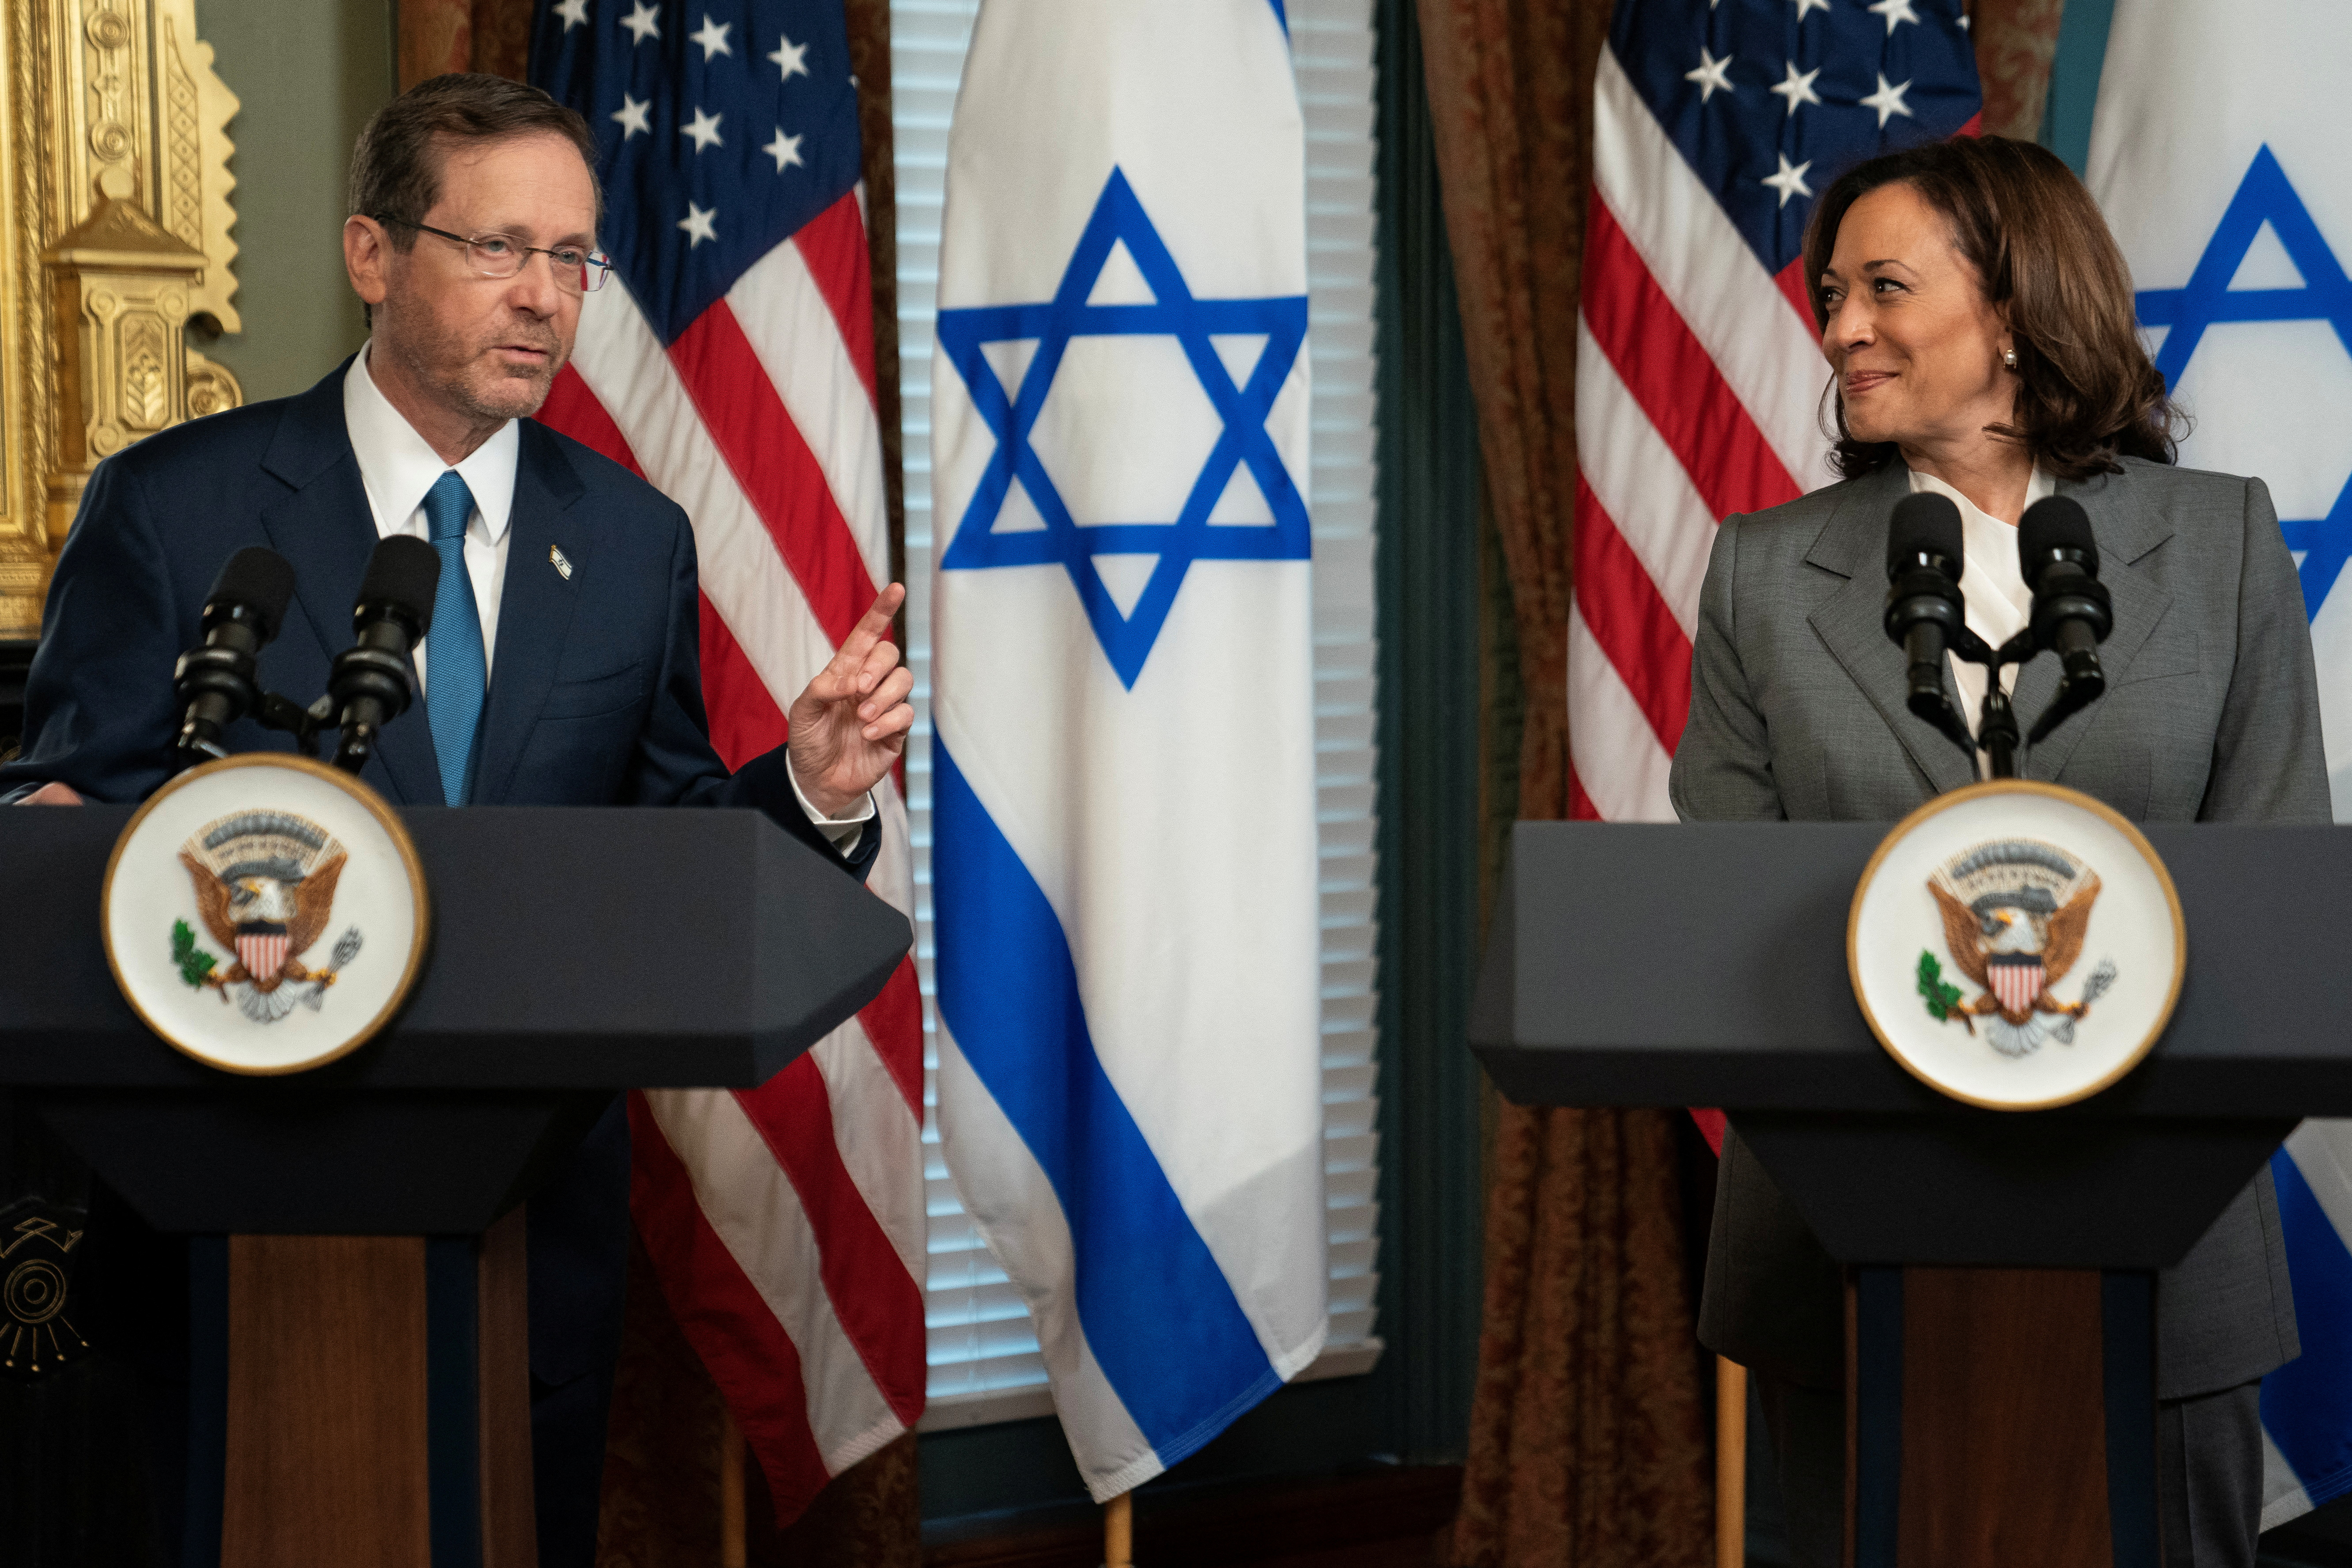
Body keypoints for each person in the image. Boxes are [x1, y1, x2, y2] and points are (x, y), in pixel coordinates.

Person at [0, 75, 915, 1566]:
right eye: (498, 249)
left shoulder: (629, 539)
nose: (545, 298)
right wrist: (51, 838)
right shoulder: (177, 508)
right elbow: (69, 820)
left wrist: (808, 787)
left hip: (522, 1238)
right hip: (227, 1233)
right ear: (372, 254)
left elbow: (663, 858)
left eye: (572, 259)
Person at [1669, 134, 2322, 1568]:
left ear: (2019, 304)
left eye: (1884, 286)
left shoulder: (2216, 545)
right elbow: (1718, 910)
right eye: (1831, 291)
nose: (1838, 325)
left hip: (2159, 1243)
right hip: (1837, 1259)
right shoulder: (1764, 571)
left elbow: (2279, 898)